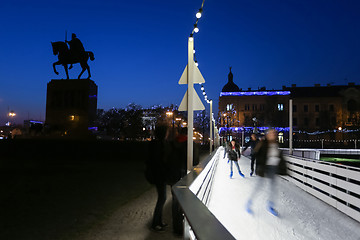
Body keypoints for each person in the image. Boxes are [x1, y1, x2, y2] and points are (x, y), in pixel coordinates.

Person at [246, 129, 287, 216]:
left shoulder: (275, 144)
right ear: (268, 135)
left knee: (273, 188)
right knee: (258, 187)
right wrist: (258, 146)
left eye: (274, 134)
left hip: (273, 168)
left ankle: (270, 205)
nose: (273, 135)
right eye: (271, 133)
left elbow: (279, 156)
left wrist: (284, 168)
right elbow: (255, 152)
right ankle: (249, 203)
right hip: (264, 168)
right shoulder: (263, 143)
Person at [145, 124, 169, 232]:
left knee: (162, 197)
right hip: (160, 175)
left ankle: (159, 221)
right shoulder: (160, 145)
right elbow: (159, 161)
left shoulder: (154, 144)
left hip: (158, 174)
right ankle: (155, 223)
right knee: (162, 198)